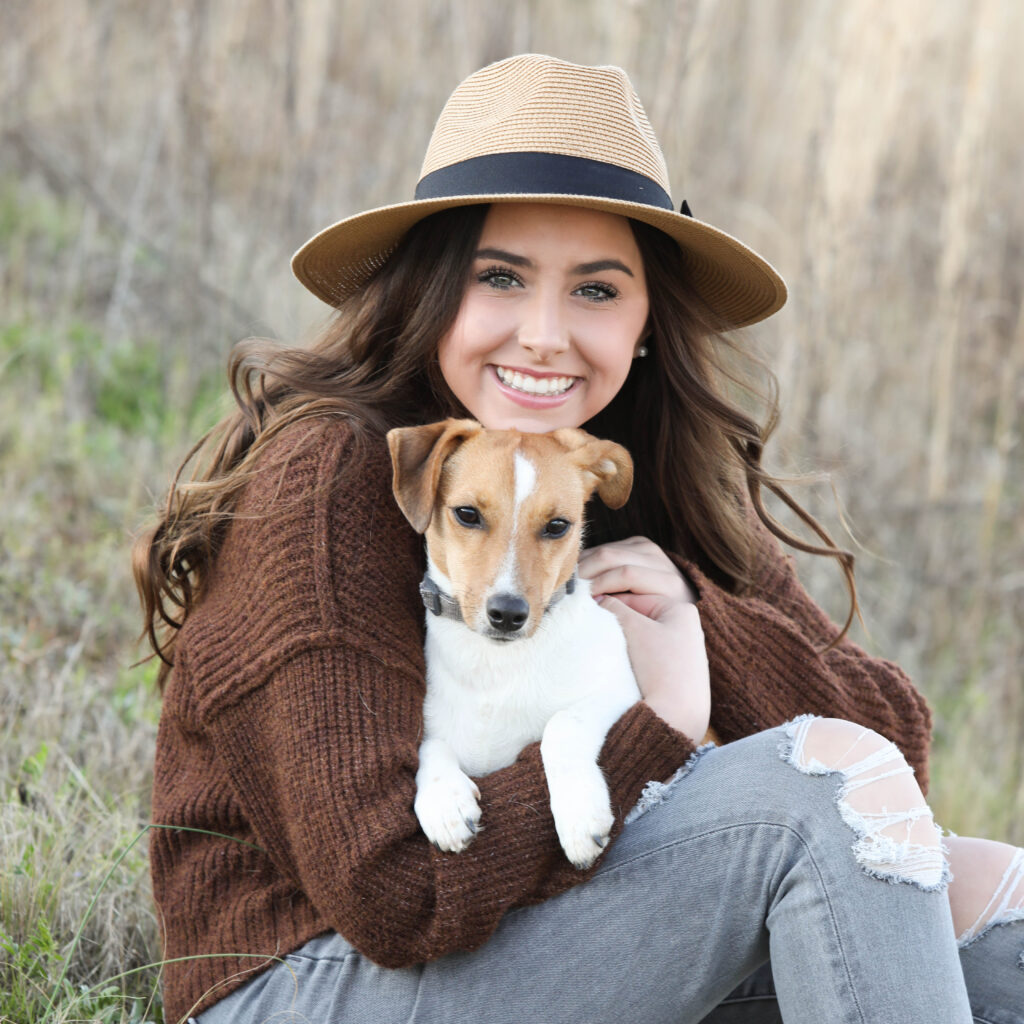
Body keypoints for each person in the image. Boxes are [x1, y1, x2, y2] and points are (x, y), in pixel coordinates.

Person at [135, 54, 1024, 1024]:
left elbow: (890, 767)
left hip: (520, 950)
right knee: (804, 800)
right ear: (433, 292)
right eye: (502, 277)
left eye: (596, 290)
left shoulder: (629, 472)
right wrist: (659, 727)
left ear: (645, 322)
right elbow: (392, 892)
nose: (546, 334)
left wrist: (692, 620)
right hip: (304, 986)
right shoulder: (331, 476)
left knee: (994, 899)